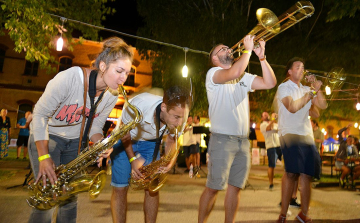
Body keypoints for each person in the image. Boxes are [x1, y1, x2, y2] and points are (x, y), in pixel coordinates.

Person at [27, 37, 134, 223]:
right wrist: (44, 157)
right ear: (102, 66)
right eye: (119, 71)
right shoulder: (70, 78)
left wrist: (102, 143)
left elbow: (95, 126)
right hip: (47, 137)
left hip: (74, 143)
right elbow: (40, 114)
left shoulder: (112, 94)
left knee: (69, 199)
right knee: (48, 199)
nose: (123, 78)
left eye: (127, 72)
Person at [199, 35, 276, 223]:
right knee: (213, 187)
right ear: (215, 59)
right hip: (222, 140)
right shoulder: (214, 73)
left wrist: (262, 57)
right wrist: (248, 50)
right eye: (222, 49)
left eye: (228, 47)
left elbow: (270, 83)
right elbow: (233, 73)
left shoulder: (242, 76)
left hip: (242, 141)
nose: (228, 49)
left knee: (235, 187)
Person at [110, 85, 190, 223]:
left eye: (181, 118)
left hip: (151, 142)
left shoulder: (181, 112)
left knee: (152, 188)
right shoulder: (138, 105)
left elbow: (172, 138)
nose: (180, 122)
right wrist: (132, 159)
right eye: (176, 117)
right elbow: (125, 134)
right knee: (120, 188)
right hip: (125, 140)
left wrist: (170, 161)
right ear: (164, 108)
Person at [276, 57, 327, 223]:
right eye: (298, 66)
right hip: (290, 134)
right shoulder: (284, 87)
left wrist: (317, 89)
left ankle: (303, 214)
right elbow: (291, 107)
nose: (301, 69)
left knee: (307, 174)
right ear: (289, 71)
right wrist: (311, 92)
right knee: (291, 173)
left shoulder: (306, 88)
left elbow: (320, 110)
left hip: (306, 135)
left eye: (303, 67)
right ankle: (283, 214)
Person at [260, 112, 281, 190]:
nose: (267, 115)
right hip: (271, 147)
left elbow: (280, 129)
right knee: (271, 166)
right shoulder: (263, 125)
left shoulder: (275, 124)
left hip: (279, 145)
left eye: (267, 114)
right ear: (262, 118)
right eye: (264, 115)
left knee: (288, 162)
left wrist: (279, 118)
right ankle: (271, 183)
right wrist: (273, 119)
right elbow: (270, 128)